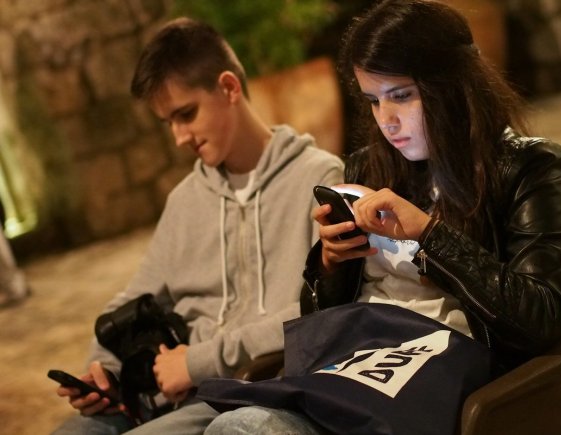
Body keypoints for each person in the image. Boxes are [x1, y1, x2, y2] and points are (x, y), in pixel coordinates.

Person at [201, 0, 561, 433]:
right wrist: (331, 263)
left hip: (444, 379)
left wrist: (429, 234)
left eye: (401, 96)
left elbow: (543, 320)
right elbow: (322, 320)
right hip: (355, 366)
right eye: (373, 101)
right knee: (236, 425)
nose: (387, 121)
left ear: (453, 85)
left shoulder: (528, 168)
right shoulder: (368, 166)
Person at [51, 17, 343, 435]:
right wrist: (103, 371)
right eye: (168, 122)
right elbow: (136, 297)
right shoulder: (186, 199)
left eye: (186, 114)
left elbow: (321, 309)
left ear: (229, 87)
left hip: (254, 392)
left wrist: (198, 361)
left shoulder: (318, 178)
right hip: (176, 397)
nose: (179, 137)